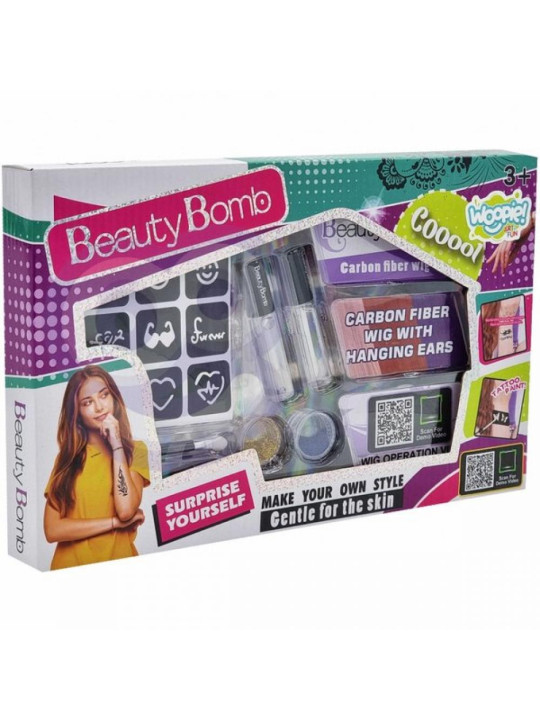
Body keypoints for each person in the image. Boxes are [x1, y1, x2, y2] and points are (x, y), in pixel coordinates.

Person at [44, 365, 149, 569]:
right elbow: (52, 530)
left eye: (104, 395)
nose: (99, 407)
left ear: (114, 398)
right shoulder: (66, 459)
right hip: (68, 569)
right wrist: (113, 523)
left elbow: (126, 511)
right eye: (88, 402)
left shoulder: (137, 451)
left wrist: (117, 445)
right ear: (77, 413)